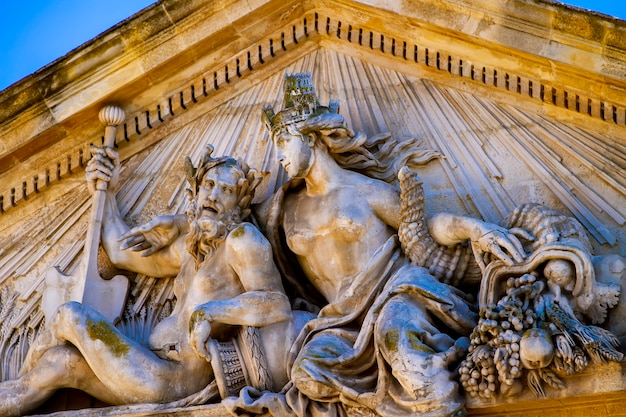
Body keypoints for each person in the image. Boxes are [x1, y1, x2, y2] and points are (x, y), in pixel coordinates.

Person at [129, 74, 530, 417]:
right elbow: (230, 220)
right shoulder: (282, 210)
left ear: (312, 139)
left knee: (403, 352)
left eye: (285, 143)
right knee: (306, 375)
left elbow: (424, 225)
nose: (280, 157)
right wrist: (180, 222)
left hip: (394, 296)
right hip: (337, 321)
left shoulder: (364, 191)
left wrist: (474, 227)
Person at [0, 144, 299, 416]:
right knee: (58, 363)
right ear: (195, 193)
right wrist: (107, 192)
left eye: (226, 190)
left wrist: (210, 312)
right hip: (146, 363)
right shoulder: (190, 250)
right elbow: (119, 250)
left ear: (239, 205)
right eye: (209, 185)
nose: (214, 195)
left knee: (70, 315)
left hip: (171, 380)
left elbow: (276, 303)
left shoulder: (243, 241)